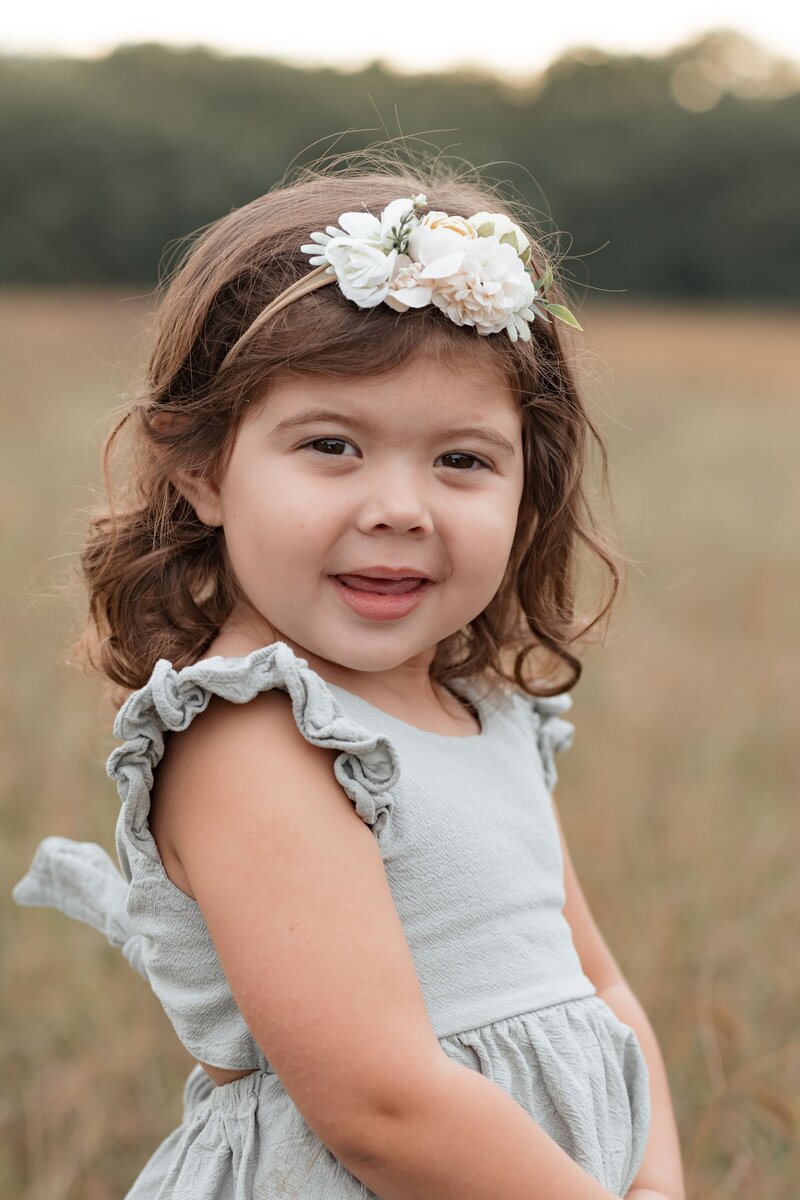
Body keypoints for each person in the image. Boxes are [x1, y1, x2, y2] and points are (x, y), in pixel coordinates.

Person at [12, 153, 686, 1199]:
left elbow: (600, 986)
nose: (399, 509)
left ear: (527, 485)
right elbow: (382, 1107)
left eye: (461, 460)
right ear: (202, 471)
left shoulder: (483, 708)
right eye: (332, 445)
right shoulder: (252, 733)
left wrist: (650, 1182)